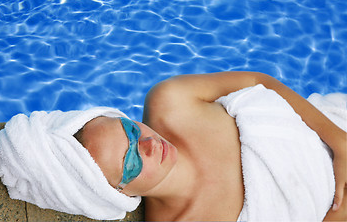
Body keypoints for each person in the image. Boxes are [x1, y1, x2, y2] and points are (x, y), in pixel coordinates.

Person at [76, 71, 347, 221]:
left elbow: (259, 83)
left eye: (132, 130)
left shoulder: (169, 101)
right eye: (131, 163)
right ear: (117, 194)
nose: (149, 145)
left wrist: (340, 142)